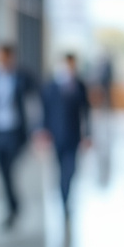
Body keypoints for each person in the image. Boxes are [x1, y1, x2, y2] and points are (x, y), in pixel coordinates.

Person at [0, 43, 33, 228]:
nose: (0, 62)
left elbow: (33, 96)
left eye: (3, 57)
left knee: (10, 169)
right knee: (3, 171)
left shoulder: (21, 76)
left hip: (15, 130)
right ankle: (12, 207)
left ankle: (13, 206)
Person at [40, 53, 91, 214]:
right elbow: (45, 110)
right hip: (56, 134)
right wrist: (43, 131)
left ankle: (66, 197)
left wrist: (87, 135)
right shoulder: (51, 86)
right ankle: (63, 197)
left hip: (74, 134)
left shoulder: (79, 85)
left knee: (71, 169)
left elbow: (86, 112)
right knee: (60, 167)